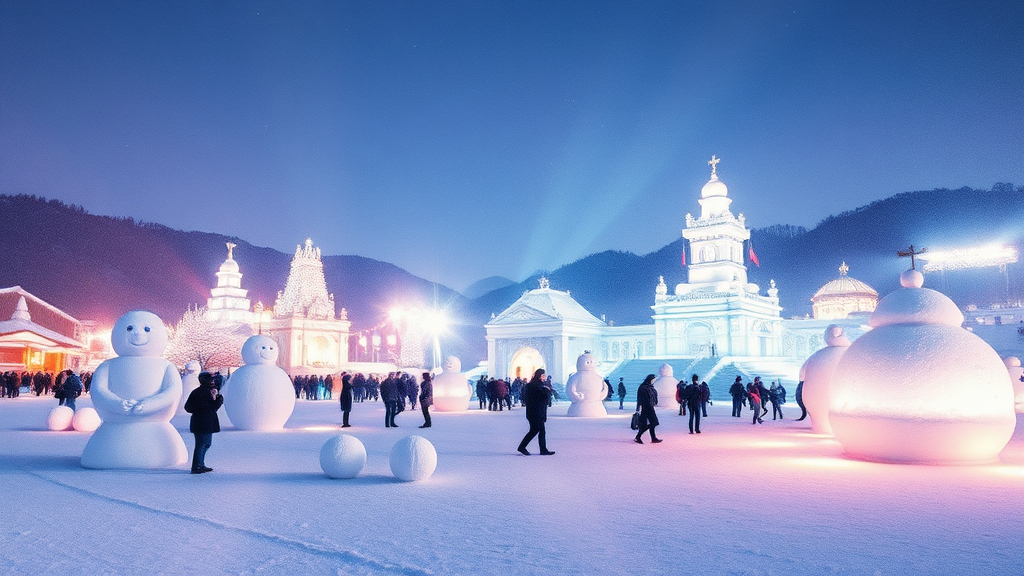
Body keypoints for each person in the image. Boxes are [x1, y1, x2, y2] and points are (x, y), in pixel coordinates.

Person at [184, 372, 223, 474]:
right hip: (202, 423)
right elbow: (212, 407)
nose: (213, 381)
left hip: (204, 422)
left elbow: (189, 407)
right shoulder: (201, 393)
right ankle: (197, 466)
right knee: (202, 444)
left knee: (206, 444)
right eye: (211, 380)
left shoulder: (204, 392)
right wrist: (219, 399)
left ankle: (200, 464)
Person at [517, 369, 554, 455]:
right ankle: (522, 447)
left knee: (541, 430)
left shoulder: (536, 385)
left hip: (537, 412)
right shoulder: (535, 386)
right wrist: (547, 391)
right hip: (535, 412)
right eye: (543, 376)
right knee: (535, 430)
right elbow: (541, 399)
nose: (544, 377)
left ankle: (543, 449)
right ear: (539, 376)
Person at [634, 374, 662, 444]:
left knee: (653, 423)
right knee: (648, 424)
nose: (653, 381)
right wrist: (639, 408)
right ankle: (638, 437)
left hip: (650, 407)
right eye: (653, 380)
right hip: (646, 407)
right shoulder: (643, 388)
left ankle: (653, 438)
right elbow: (641, 399)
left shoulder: (650, 387)